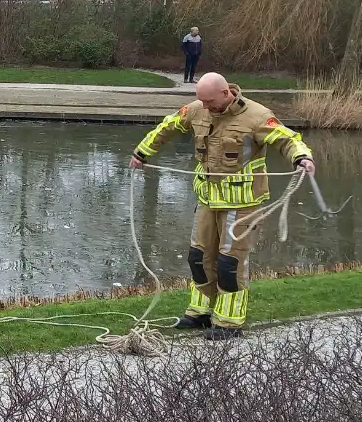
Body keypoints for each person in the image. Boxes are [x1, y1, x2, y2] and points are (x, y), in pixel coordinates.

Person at [129, 72, 315, 340]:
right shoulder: (197, 110)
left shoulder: (258, 116)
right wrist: (141, 153)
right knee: (198, 257)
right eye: (201, 102)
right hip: (207, 200)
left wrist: (302, 158)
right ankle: (200, 311)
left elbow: (287, 139)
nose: (205, 107)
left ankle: (229, 321)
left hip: (243, 204)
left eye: (210, 102)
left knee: (230, 263)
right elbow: (167, 127)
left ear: (226, 93)